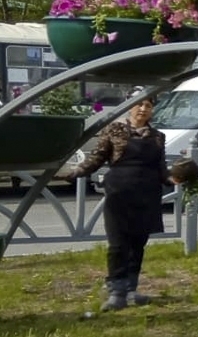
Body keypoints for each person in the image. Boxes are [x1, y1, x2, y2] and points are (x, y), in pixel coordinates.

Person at [62, 97, 174, 311]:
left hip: (147, 195)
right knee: (118, 244)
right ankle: (116, 291)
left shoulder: (158, 137)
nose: (143, 109)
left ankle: (131, 290)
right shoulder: (115, 130)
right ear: (130, 107)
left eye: (148, 106)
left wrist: (177, 178)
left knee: (137, 244)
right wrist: (74, 173)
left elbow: (162, 171)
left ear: (152, 111)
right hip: (119, 193)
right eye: (139, 104)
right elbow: (96, 158)